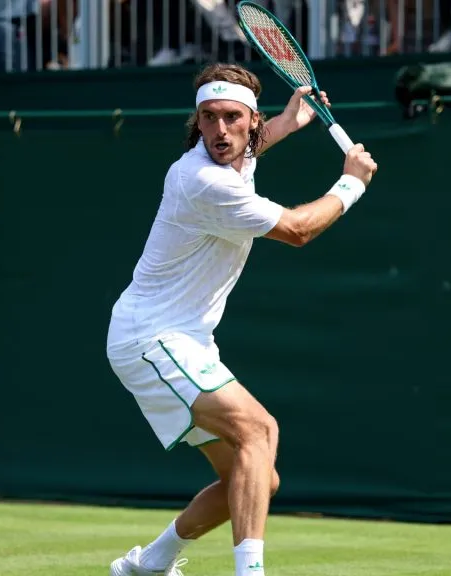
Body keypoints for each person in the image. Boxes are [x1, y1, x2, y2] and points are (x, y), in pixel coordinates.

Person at [105, 62, 378, 576]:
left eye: (232, 117)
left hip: (180, 340)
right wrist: (351, 184)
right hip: (152, 338)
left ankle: (149, 564)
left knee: (255, 481)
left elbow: (251, 147)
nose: (219, 130)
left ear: (252, 121)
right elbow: (298, 230)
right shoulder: (203, 180)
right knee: (260, 431)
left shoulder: (233, 159)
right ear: (198, 121)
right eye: (208, 117)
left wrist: (290, 122)